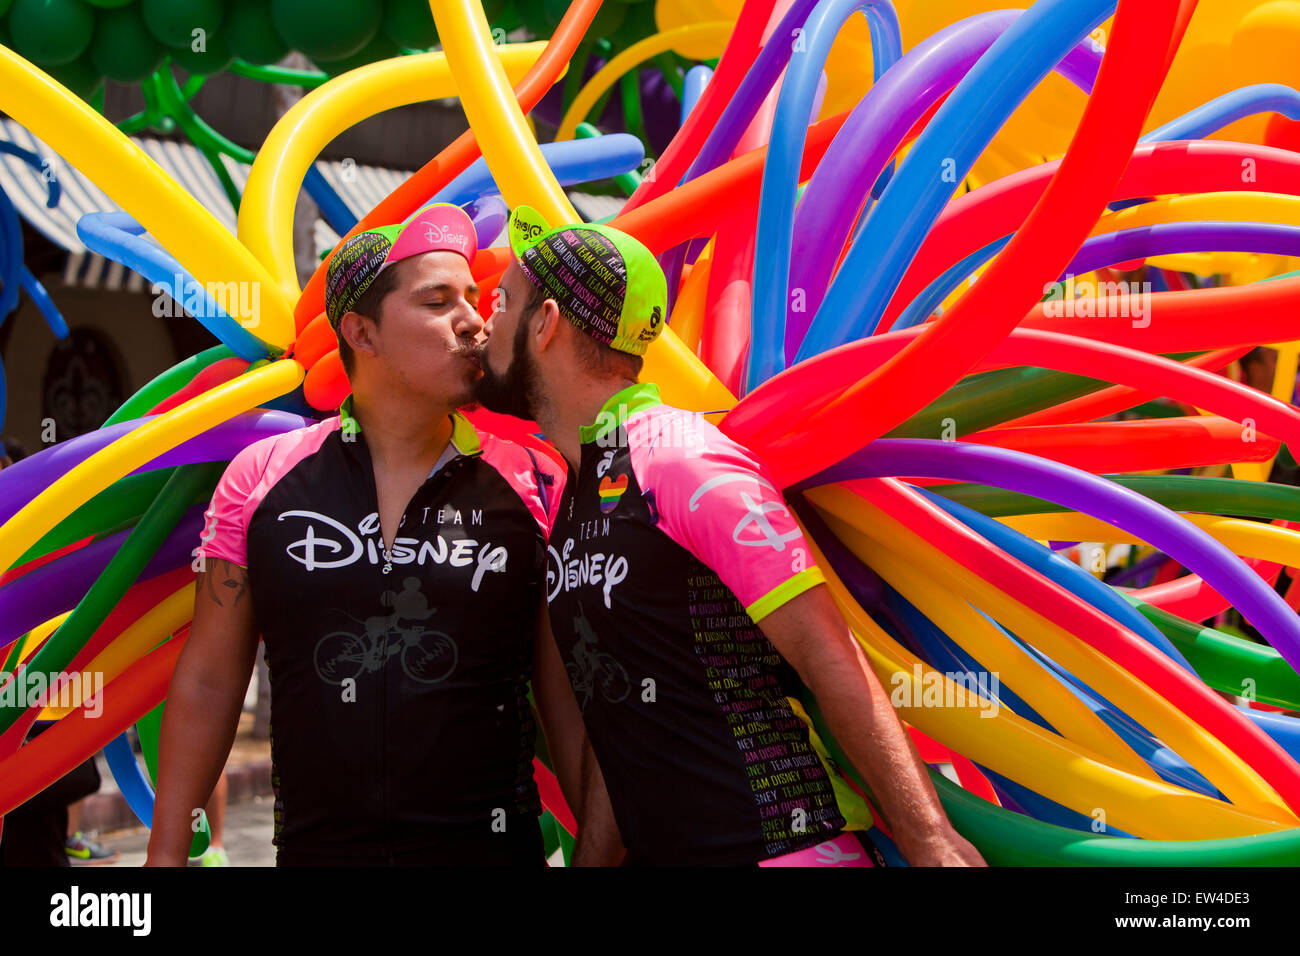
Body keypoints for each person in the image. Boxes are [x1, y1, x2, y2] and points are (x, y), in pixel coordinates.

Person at [475, 206, 986, 867]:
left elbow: (823, 648)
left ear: (544, 325)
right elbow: (624, 710)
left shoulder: (682, 458)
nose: (484, 322)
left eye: (503, 301)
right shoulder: (578, 491)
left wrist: (931, 841)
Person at [146, 203, 583, 867]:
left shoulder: (538, 480)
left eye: (474, 297)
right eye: (438, 300)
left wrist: (602, 851)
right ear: (362, 333)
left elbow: (566, 693)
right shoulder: (260, 477)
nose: (472, 320)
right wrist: (164, 860)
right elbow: (209, 680)